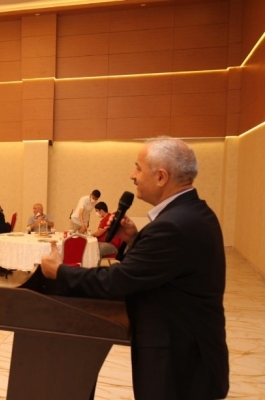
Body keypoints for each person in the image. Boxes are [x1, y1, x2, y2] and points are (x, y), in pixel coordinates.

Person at [40, 138, 229, 400]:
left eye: (138, 168)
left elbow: (119, 280)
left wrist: (59, 271)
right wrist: (133, 239)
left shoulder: (173, 225)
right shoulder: (192, 212)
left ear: (161, 177)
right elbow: (164, 266)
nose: (132, 175)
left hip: (179, 363)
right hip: (188, 353)